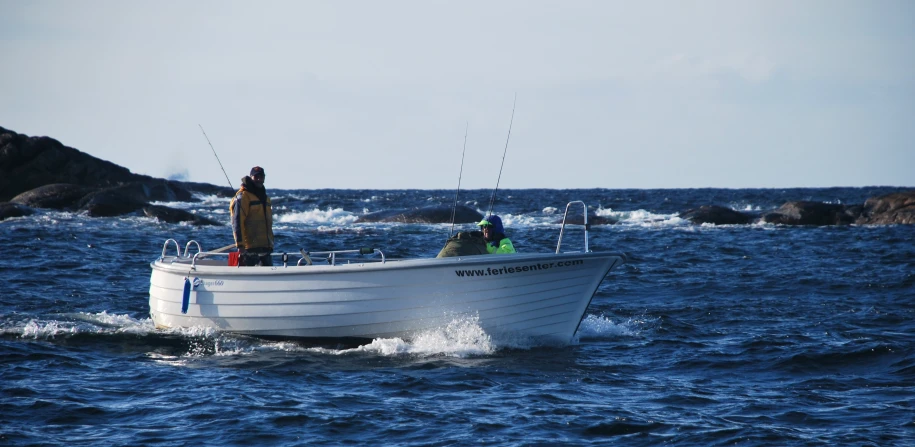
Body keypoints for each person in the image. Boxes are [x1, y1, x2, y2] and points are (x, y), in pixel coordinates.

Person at [230, 166, 274, 266]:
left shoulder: (265, 198)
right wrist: (240, 245)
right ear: (251, 177)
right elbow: (237, 221)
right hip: (249, 249)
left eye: (261, 177)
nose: (259, 179)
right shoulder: (243, 197)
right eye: (256, 177)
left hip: (266, 248)